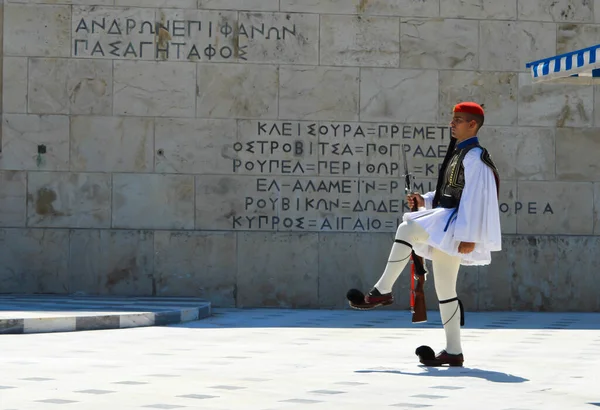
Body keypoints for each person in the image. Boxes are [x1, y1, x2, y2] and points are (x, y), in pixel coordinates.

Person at [348, 102, 501, 367]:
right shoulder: (459, 153)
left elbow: (477, 200)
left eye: (458, 120)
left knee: (407, 228)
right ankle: (454, 351)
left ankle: (382, 290)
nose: (452, 124)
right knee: (445, 289)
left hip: (456, 226)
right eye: (452, 119)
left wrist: (469, 235)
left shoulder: (475, 157)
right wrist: (424, 201)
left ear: (473, 125)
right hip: (449, 223)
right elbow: (449, 194)